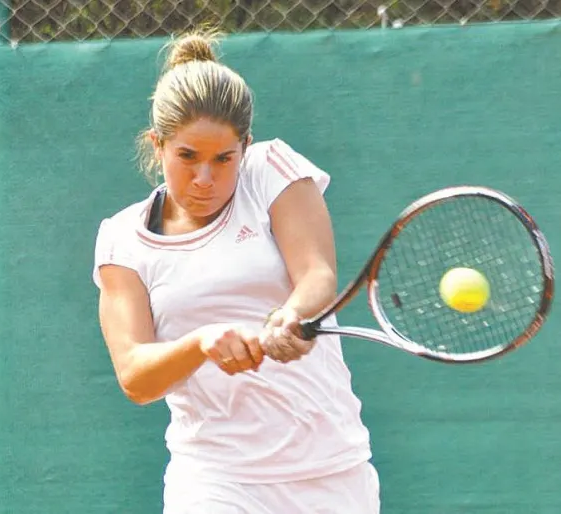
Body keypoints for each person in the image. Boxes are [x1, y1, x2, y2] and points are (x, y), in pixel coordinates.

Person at [91, 28, 380, 513]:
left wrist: (291, 315)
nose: (204, 179)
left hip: (331, 470)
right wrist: (201, 343)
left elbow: (316, 275)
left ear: (246, 145)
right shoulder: (123, 240)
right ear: (158, 145)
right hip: (215, 480)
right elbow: (136, 377)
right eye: (187, 157)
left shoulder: (271, 170)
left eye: (223, 159)